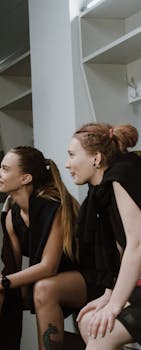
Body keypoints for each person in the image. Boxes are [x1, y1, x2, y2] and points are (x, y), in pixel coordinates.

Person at [0, 146, 80, 350]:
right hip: (50, 279)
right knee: (1, 295)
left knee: (43, 287)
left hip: (87, 278)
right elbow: (12, 269)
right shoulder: (12, 215)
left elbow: (48, 267)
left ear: (25, 178)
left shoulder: (53, 207)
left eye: (5, 169)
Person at [64, 123, 141, 349]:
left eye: (71, 155)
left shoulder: (122, 177)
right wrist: (109, 295)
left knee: (100, 334)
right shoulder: (102, 191)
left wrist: (116, 304)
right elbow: (118, 250)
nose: (67, 163)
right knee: (89, 322)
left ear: (96, 158)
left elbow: (136, 245)